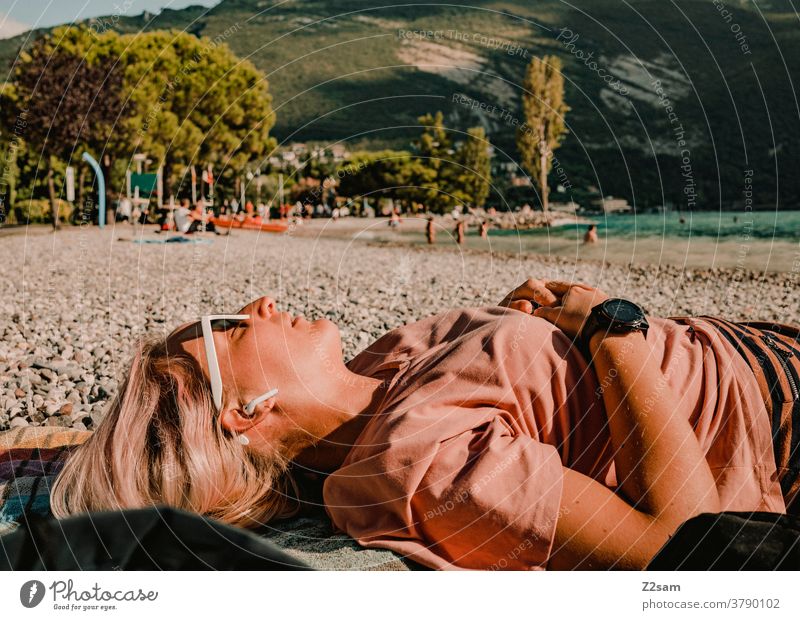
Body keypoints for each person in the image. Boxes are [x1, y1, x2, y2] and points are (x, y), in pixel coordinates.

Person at [50, 279, 800, 570]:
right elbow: (693, 544)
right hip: (772, 413)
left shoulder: (380, 371)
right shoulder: (422, 466)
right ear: (247, 413)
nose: (262, 304)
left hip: (750, 341)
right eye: (230, 328)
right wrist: (610, 327)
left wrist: (513, 322)